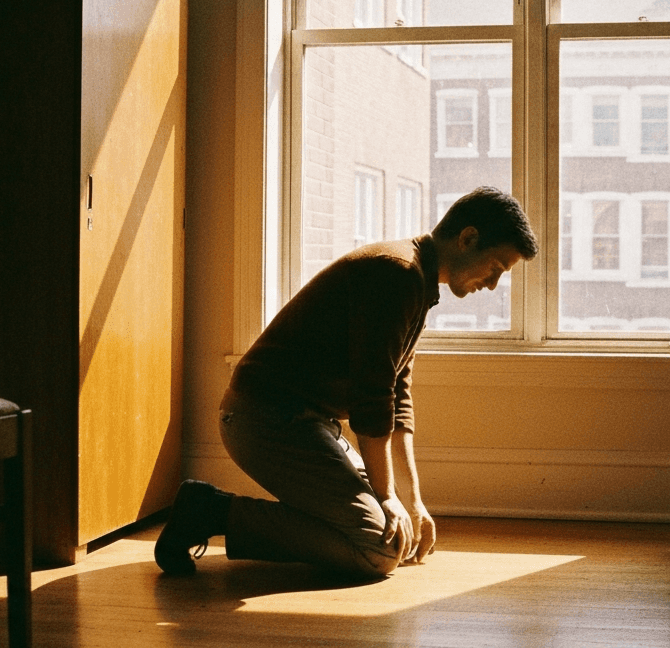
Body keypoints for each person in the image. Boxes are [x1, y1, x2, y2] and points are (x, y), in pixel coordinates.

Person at [155, 186, 538, 578]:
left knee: (395, 533)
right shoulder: (397, 272)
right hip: (262, 419)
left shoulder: (418, 282)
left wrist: (412, 502)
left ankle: (216, 511)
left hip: (307, 425)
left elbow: (396, 396)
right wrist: (387, 496)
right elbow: (371, 400)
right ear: (468, 238)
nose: (491, 285)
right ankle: (210, 511)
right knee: (379, 549)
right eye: (495, 268)